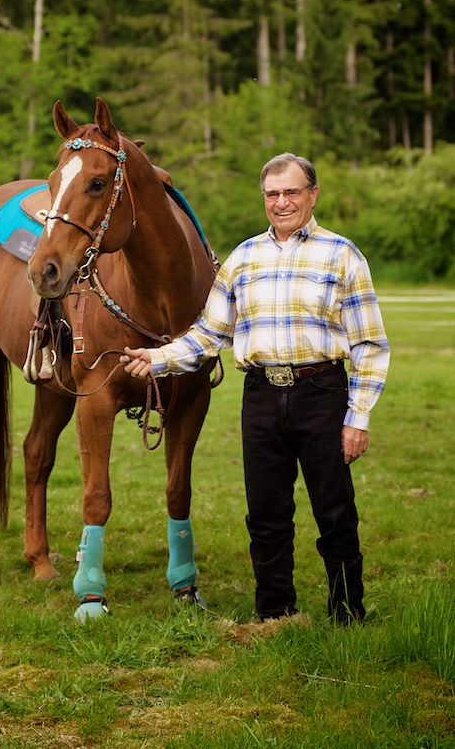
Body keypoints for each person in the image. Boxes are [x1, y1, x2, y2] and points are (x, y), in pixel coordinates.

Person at [120, 153, 390, 624]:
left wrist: (358, 417)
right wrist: (157, 359)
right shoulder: (244, 258)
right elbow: (210, 334)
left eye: (291, 192)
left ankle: (347, 612)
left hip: (322, 391)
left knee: (335, 512)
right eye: (272, 194)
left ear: (312, 194)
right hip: (262, 395)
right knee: (266, 515)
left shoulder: (343, 255)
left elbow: (369, 344)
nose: (281, 203)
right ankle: (276, 613)